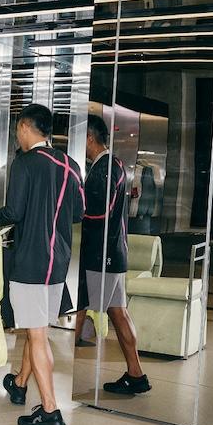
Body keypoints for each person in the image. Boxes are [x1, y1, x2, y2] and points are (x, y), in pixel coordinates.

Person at [0, 104, 84, 425]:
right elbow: (78, 212)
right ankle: (20, 383)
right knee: (37, 330)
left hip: (31, 261)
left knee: (36, 336)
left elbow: (13, 212)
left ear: (24, 127)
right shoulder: (71, 164)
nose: (17, 137)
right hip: (58, 261)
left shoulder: (24, 163)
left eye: (17, 130)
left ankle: (50, 410)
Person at [76, 114, 151, 396]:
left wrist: (74, 207)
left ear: (89, 138)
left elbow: (99, 212)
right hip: (113, 252)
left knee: (81, 308)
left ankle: (50, 375)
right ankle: (136, 373)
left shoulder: (105, 168)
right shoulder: (113, 165)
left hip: (102, 253)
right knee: (118, 312)